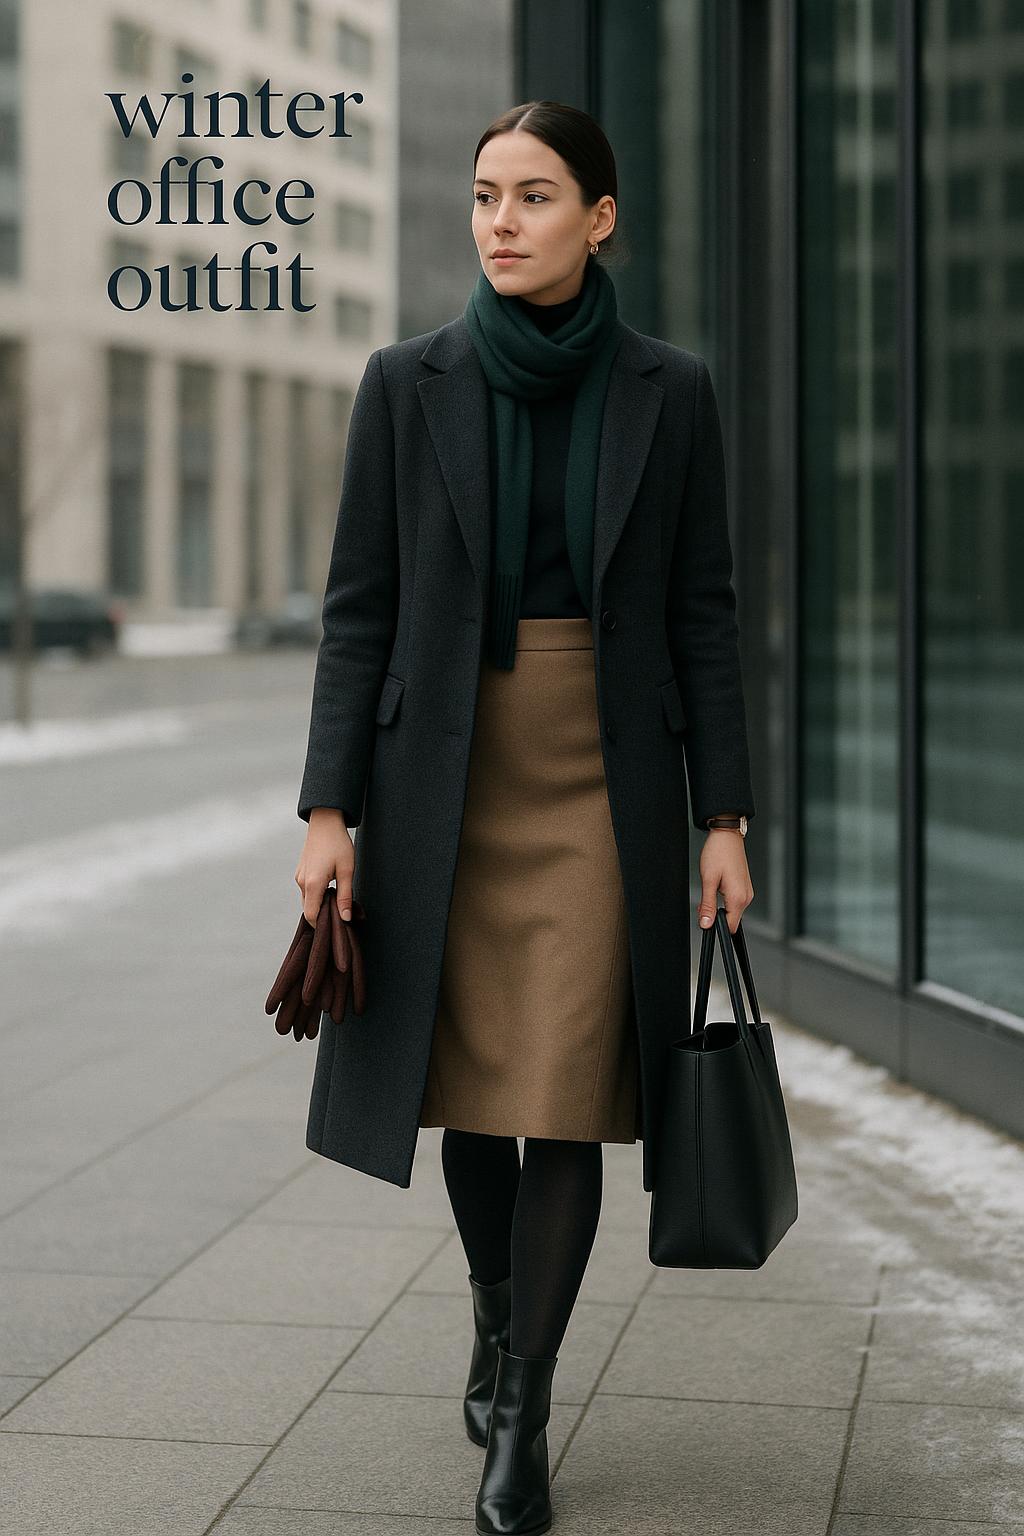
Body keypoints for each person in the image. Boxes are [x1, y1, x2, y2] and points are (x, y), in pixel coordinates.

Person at [294, 99, 755, 1536]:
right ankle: (497, 1313)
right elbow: (358, 612)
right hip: (445, 777)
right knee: (478, 1100)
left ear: (599, 218)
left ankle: (526, 1412)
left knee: (563, 1096)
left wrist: (726, 817)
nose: (501, 220)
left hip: (605, 778)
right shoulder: (405, 382)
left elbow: (703, 616)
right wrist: (327, 811)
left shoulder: (670, 391)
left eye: (535, 195)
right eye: (488, 194)